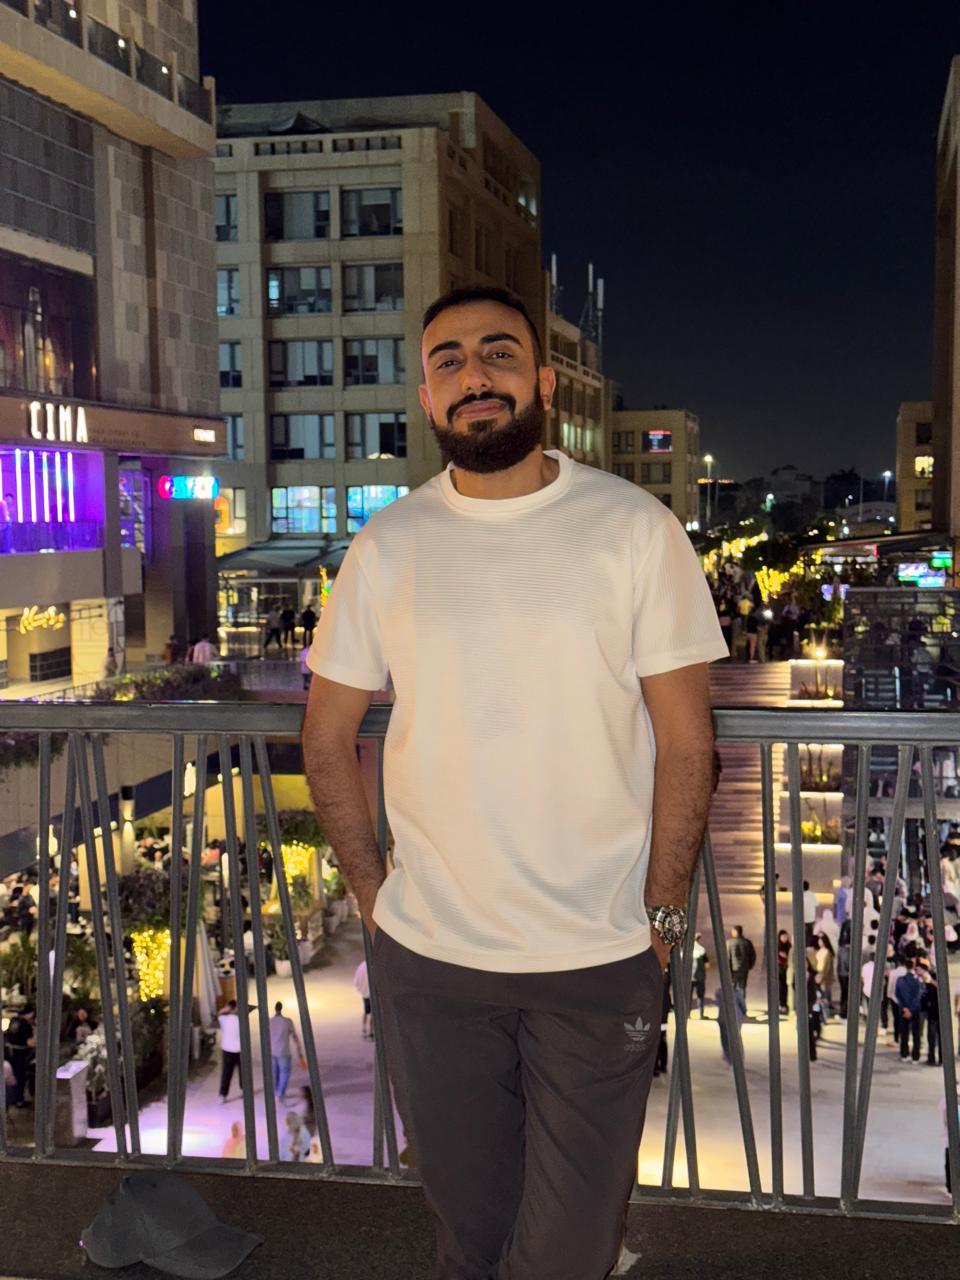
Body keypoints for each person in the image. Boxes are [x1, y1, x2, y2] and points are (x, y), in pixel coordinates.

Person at [301, 284, 729, 1279]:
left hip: (599, 955)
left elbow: (687, 745)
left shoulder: (634, 528)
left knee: (567, 1249)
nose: (474, 375)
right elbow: (325, 736)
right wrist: (375, 902)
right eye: (448, 361)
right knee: (473, 1239)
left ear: (543, 382)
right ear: (426, 397)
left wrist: (662, 925)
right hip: (432, 959)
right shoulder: (388, 544)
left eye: (498, 353)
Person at [269, 1001, 306, 1105]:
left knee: (275, 1073)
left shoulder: (269, 1021)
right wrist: (299, 1049)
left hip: (272, 1051)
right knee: (284, 1073)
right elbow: (294, 1036)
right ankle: (280, 1093)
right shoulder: (287, 1021)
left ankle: (276, 1091)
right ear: (281, 1009)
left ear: (275, 1009)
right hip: (284, 1051)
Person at [895, 958, 924, 1062]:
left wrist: (904, 1008)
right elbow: (918, 996)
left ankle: (904, 1054)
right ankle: (915, 1056)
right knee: (916, 1034)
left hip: (903, 1009)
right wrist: (911, 1009)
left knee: (904, 1033)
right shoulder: (918, 981)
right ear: (913, 967)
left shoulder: (900, 980)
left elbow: (897, 994)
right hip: (915, 1010)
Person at [6, 1005, 35, 1107]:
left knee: (12, 1076)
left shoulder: (14, 1020)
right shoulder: (26, 1024)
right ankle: (19, 1100)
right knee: (20, 1077)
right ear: (30, 1014)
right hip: (20, 1053)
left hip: (10, 1052)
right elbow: (30, 1042)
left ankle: (12, 1098)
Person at [217, 999, 242, 1103]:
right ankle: (244, 1090)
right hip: (240, 1050)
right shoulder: (241, 1020)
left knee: (226, 1073)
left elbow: (219, 1013)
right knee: (243, 1072)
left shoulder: (223, 1019)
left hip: (227, 1050)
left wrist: (225, 1009)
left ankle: (223, 1094)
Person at [716, 982, 746, 1066]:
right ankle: (738, 1057)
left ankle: (728, 1057)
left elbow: (718, 1001)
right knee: (736, 1038)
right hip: (735, 1018)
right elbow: (743, 1006)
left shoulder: (719, 992)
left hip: (722, 1018)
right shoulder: (737, 993)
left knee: (725, 1038)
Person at [726, 924, 755, 1001]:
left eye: (732, 931)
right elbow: (753, 955)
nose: (731, 932)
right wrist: (750, 965)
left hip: (733, 969)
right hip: (744, 968)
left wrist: (727, 969)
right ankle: (742, 1005)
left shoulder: (729, 943)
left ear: (735, 932)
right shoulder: (747, 942)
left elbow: (727, 957)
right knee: (742, 987)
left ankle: (733, 1005)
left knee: (732, 987)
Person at [814, 934, 836, 1016]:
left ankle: (826, 1013)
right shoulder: (819, 951)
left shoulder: (827, 952)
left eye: (821, 940)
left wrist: (821, 976)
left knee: (825, 995)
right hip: (818, 974)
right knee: (821, 995)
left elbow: (826, 967)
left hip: (824, 977)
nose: (819, 942)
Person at [354, 954, 373, 1039]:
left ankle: (364, 1028)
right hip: (371, 993)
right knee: (373, 1012)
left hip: (365, 993)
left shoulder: (361, 966)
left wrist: (361, 989)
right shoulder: (372, 965)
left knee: (366, 1011)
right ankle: (371, 1031)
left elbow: (356, 980)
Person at [690, 933, 708, 1018]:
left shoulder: (686, 949)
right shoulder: (702, 949)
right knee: (700, 996)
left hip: (689, 977)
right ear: (699, 939)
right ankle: (701, 1014)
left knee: (688, 996)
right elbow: (707, 964)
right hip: (700, 976)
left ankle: (687, 1014)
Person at [777, 929, 792, 1014]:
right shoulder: (777, 946)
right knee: (780, 987)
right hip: (779, 970)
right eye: (783, 937)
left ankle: (784, 1004)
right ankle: (781, 1004)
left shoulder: (789, 946)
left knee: (785, 988)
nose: (785, 938)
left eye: (786, 936)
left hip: (787, 969)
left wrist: (786, 956)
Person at [803, 880, 818, 947]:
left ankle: (804, 946)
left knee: (804, 934)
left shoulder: (800, 895)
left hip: (803, 918)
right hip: (811, 918)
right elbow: (816, 904)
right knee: (810, 934)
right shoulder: (812, 894)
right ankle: (808, 946)